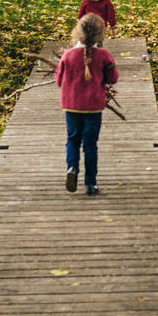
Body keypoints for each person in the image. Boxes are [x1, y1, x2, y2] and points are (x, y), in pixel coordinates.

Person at [56, 13, 119, 196]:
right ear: (100, 34)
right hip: (93, 106)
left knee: (73, 139)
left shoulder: (68, 55)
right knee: (90, 144)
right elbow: (113, 78)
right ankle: (90, 183)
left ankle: (72, 168)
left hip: (71, 105)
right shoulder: (104, 55)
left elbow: (59, 81)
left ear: (78, 32)